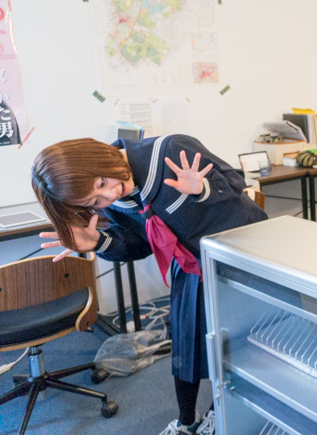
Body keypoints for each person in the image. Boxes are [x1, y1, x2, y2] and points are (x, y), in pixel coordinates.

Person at [32, 134, 267, 435]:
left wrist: (202, 189)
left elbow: (235, 182)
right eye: (95, 201)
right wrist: (99, 242)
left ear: (100, 156)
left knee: (237, 343)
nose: (110, 194)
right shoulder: (114, 202)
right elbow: (142, 243)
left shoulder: (170, 151)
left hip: (243, 252)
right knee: (186, 344)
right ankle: (186, 420)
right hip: (192, 263)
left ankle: (218, 414)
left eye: (102, 182)